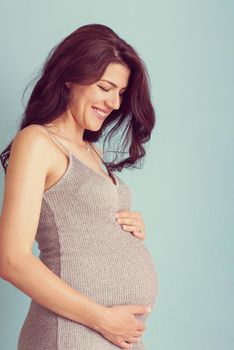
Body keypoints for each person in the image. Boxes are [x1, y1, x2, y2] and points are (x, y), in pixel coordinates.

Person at [0, 23, 159, 349]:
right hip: (73, 330)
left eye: (121, 92)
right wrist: (101, 318)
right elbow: (11, 259)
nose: (114, 102)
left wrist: (125, 227)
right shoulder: (37, 141)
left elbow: (78, 221)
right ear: (70, 77)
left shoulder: (91, 151)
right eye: (105, 87)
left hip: (108, 334)